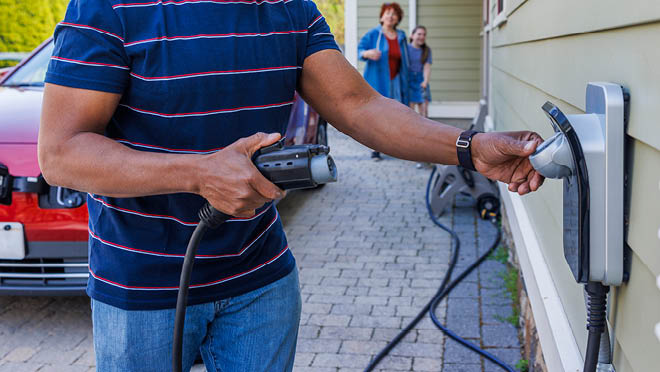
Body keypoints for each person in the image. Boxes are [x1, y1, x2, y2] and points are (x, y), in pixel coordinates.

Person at [38, 1, 544, 371]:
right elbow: (60, 152)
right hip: (144, 288)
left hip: (261, 281)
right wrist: (197, 173)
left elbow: (358, 105)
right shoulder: (108, 7)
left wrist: (472, 149)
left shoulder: (290, 8)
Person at [357, 2, 410, 161]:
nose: (390, 16)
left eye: (394, 14)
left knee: (397, 113)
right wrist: (367, 53)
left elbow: (406, 59)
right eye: (387, 13)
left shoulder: (401, 36)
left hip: (397, 80)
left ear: (397, 18)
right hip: (378, 80)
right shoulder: (374, 34)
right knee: (378, 114)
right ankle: (376, 148)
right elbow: (360, 50)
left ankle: (395, 145)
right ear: (381, 17)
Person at [407, 25, 433, 169]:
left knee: (424, 117)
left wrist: (425, 81)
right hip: (409, 82)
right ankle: (412, 150)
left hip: (421, 83)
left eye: (424, 34)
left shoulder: (426, 50)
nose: (421, 37)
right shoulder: (406, 49)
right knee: (411, 117)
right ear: (412, 35)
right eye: (419, 34)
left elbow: (427, 67)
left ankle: (425, 151)